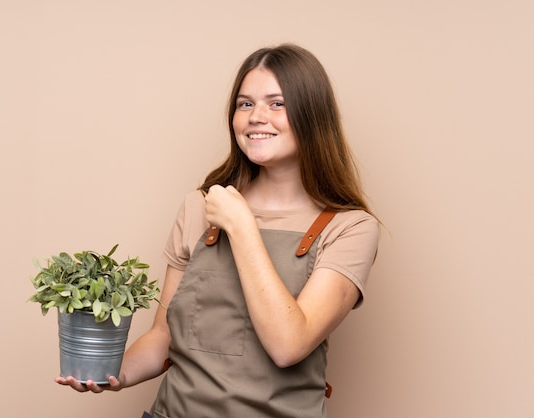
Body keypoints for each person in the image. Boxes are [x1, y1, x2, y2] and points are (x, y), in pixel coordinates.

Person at [56, 43, 380, 418]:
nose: (256, 116)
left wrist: (242, 227)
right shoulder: (199, 207)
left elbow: (289, 345)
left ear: (312, 116)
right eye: (245, 104)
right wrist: (111, 373)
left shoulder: (350, 227)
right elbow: (164, 337)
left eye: (277, 104)